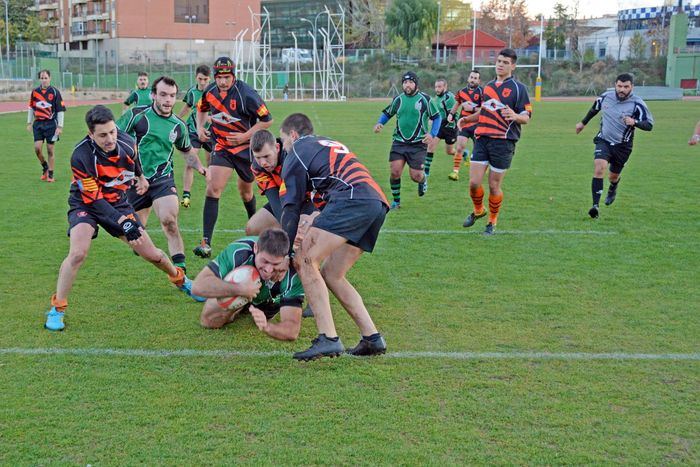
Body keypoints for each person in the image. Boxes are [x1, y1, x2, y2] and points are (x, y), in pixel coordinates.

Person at [44, 105, 201, 331]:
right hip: (86, 203)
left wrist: (141, 177)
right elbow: (95, 201)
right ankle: (57, 308)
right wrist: (124, 222)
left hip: (117, 201)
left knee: (152, 254)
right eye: (103, 135)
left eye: (112, 132)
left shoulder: (126, 141)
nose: (110, 139)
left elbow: (133, 160)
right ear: (91, 134)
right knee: (78, 253)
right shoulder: (81, 155)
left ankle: (181, 279)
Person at [279, 113, 389, 361]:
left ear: (293, 136)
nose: (283, 147)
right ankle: (372, 338)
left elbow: (291, 206)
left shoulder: (296, 151)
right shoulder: (326, 142)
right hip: (375, 201)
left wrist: (285, 251)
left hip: (353, 197)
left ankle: (328, 337)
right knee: (332, 273)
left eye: (283, 140)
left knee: (305, 259)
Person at [116, 76, 207, 275]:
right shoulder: (136, 115)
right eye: (163, 95)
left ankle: (180, 271)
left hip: (162, 179)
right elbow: (112, 137)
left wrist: (200, 167)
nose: (168, 100)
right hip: (135, 180)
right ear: (153, 95)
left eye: (172, 96)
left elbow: (186, 151)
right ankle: (144, 243)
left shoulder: (178, 125)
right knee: (135, 233)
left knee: (169, 220)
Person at [193, 56, 273, 258]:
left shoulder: (246, 93)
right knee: (213, 187)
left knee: (246, 192)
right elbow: (200, 109)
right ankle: (206, 242)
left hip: (246, 150)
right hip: (222, 147)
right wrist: (200, 127)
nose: (222, 82)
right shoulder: (210, 92)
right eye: (219, 77)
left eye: (227, 77)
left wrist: (245, 136)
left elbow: (267, 120)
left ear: (233, 76)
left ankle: (253, 224)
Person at [460, 49, 531, 235]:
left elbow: (526, 116)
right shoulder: (488, 87)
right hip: (482, 138)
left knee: (493, 186)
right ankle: (478, 210)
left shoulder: (519, 88)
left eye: (505, 62)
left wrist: (515, 116)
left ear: (513, 66)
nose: (500, 64)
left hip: (504, 142)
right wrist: (467, 120)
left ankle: (492, 221)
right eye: (498, 61)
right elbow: (484, 111)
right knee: (474, 183)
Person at [192, 229, 305, 341]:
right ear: (256, 248)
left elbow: (292, 330)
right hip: (240, 288)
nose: (268, 270)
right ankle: (239, 306)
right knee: (209, 320)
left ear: (285, 257)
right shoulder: (239, 251)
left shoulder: (293, 273)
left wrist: (267, 327)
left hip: (268, 302)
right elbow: (198, 286)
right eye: (265, 261)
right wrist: (240, 289)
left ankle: (248, 306)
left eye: (275, 264)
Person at [575, 73, 654, 218]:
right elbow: (594, 109)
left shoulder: (638, 103)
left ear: (632, 87)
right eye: (619, 86)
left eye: (626, 87)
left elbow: (649, 125)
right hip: (604, 140)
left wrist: (635, 122)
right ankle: (595, 206)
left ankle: (613, 186)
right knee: (599, 167)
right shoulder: (606, 97)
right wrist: (583, 123)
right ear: (615, 85)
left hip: (623, 146)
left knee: (612, 176)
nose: (622, 89)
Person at [374, 71, 441, 209]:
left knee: (415, 176)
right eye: (405, 82)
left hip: (418, 144)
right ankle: (396, 202)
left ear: (416, 84)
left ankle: (423, 180)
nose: (407, 85)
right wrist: (380, 123)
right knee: (395, 172)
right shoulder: (398, 99)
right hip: (399, 142)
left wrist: (432, 134)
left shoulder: (425, 99)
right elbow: (388, 113)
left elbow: (437, 117)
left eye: (410, 82)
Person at [245, 129, 318, 236]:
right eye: (258, 157)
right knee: (252, 227)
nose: (263, 163)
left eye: (266, 156)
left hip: (309, 199)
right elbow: (274, 198)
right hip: (285, 199)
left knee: (302, 233)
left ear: (277, 147)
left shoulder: (293, 159)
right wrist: (287, 226)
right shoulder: (257, 168)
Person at [177, 65, 212, 208]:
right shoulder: (192, 92)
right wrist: (177, 118)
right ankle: (186, 195)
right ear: (196, 77)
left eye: (205, 79)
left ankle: (211, 195)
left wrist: (212, 118)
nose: (202, 82)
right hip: (193, 131)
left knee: (211, 166)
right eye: (200, 79)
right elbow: (187, 106)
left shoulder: (215, 92)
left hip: (211, 133)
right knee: (190, 161)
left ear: (209, 78)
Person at [27, 69, 65, 182]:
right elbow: (31, 107)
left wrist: (60, 126)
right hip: (38, 124)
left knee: (50, 150)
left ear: (50, 78)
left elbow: (60, 110)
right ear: (40, 79)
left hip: (51, 124)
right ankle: (45, 167)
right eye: (42, 78)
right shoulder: (35, 92)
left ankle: (51, 175)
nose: (44, 80)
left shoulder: (54, 92)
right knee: (37, 149)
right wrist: (29, 122)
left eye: (46, 78)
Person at [447, 69, 483, 181]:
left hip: (478, 124)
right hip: (464, 123)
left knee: (479, 149)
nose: (473, 80)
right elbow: (457, 103)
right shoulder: (461, 92)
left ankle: (481, 170)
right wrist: (451, 114)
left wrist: (472, 108)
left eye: (475, 78)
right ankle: (455, 172)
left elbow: (485, 109)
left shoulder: (482, 92)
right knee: (459, 147)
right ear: (468, 78)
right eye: (471, 77)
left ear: (479, 80)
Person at [425, 78, 458, 180]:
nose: (437, 89)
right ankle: (426, 172)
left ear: (445, 87)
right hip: (440, 127)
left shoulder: (450, 98)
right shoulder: (436, 99)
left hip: (450, 128)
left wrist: (436, 122)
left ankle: (462, 153)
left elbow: (450, 117)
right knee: (430, 146)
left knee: (450, 151)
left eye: (439, 87)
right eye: (436, 87)